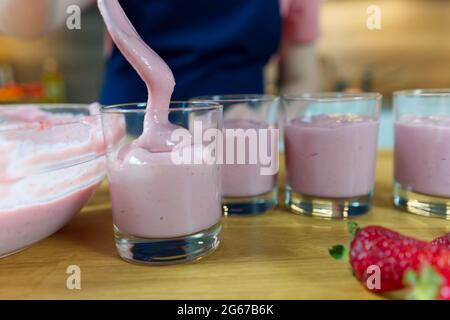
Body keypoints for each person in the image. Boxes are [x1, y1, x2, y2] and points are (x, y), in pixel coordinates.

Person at [0, 0, 320, 105]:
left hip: (238, 152)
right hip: (128, 146)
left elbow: (300, 78)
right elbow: (29, 20)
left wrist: (268, 130)